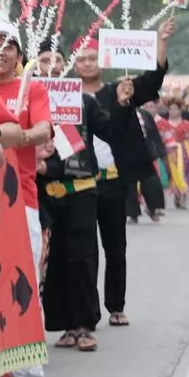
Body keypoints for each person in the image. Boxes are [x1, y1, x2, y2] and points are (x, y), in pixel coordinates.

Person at [77, 17, 178, 323]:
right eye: (81, 58)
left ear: (103, 61)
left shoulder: (120, 88)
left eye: (93, 57)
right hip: (77, 184)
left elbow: (153, 79)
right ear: (74, 64)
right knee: (84, 252)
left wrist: (161, 41)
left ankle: (115, 307)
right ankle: (85, 313)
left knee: (114, 247)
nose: (87, 63)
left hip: (113, 181)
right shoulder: (64, 95)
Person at [0, 20, 52, 377]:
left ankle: (28, 374)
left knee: (23, 284)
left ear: (20, 55)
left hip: (19, 198)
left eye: (8, 44)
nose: (0, 51)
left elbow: (44, 130)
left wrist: (16, 136)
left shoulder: (33, 88)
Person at [43, 78, 128, 351]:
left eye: (56, 61)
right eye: (44, 60)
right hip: (46, 191)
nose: (51, 66)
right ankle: (65, 325)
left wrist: (121, 104)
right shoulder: (32, 98)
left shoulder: (84, 101)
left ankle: (83, 325)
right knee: (55, 259)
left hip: (81, 189)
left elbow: (110, 130)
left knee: (81, 256)